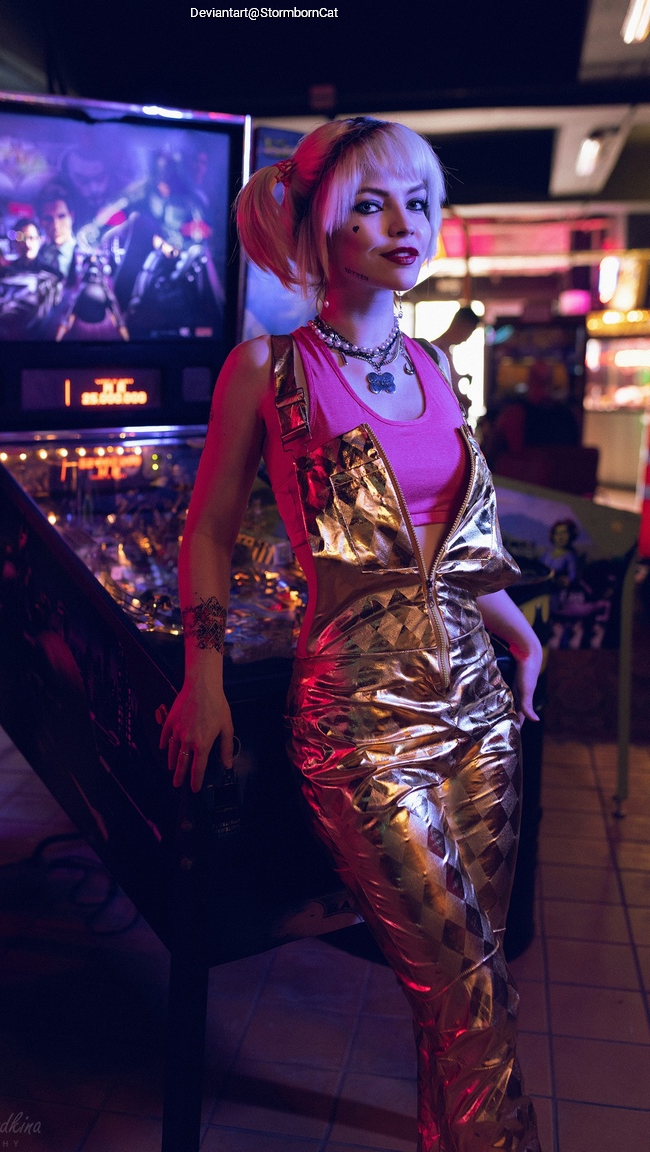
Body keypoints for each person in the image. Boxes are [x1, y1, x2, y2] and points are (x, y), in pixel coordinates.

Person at [160, 117, 542, 1152]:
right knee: (468, 995)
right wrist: (202, 676)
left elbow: (450, 539)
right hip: (361, 725)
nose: (403, 224)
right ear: (318, 223)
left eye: (418, 202)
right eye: (370, 203)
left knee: (461, 988)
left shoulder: (434, 365)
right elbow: (207, 532)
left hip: (478, 708)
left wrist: (516, 630)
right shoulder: (269, 368)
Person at [432, 304, 482, 411]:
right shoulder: (437, 350)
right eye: (469, 332)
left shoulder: (445, 349)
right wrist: (462, 399)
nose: (466, 339)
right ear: (461, 326)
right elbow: (442, 389)